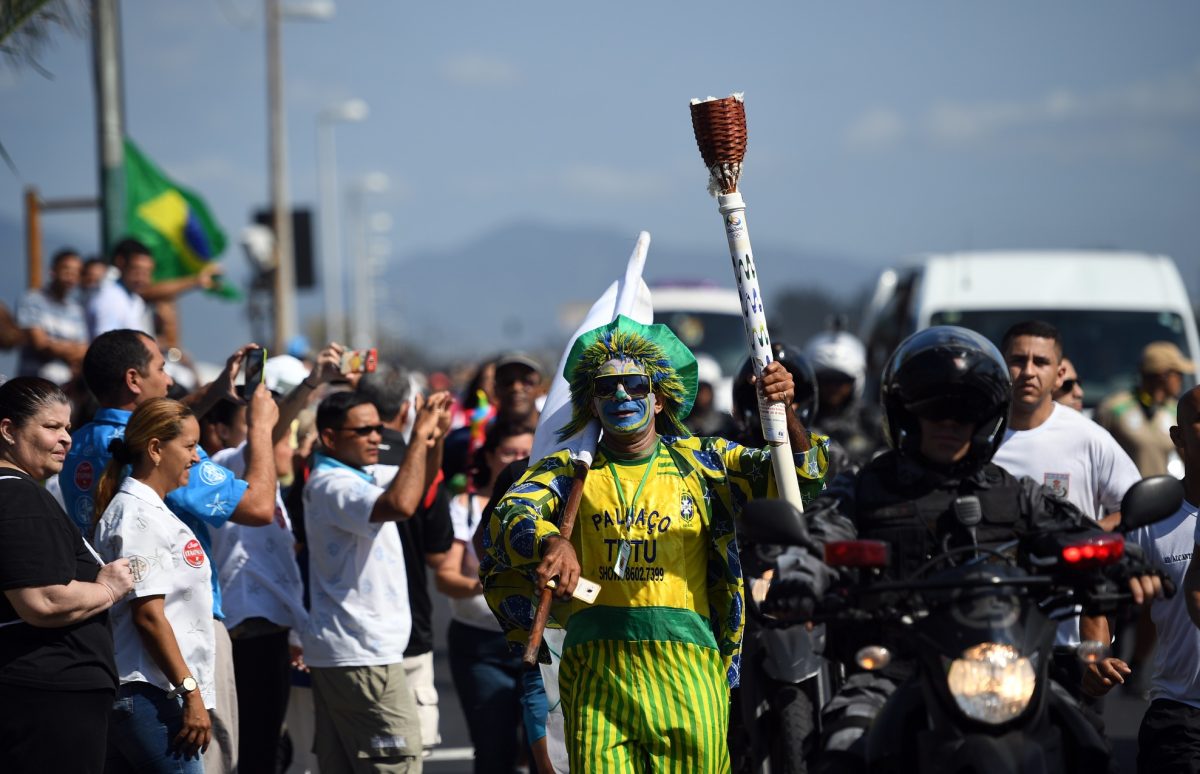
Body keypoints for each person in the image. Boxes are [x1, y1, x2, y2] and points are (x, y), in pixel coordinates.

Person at [779, 326, 1163, 771]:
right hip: (897, 668)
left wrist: (1125, 562)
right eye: (935, 412)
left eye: (964, 413)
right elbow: (819, 539)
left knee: (1087, 743)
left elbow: (1078, 534)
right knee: (844, 749)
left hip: (1005, 667)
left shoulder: (1015, 493)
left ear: (986, 418)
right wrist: (799, 579)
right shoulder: (866, 489)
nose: (949, 424)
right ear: (908, 414)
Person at [482, 315, 829, 772]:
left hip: (687, 666)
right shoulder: (571, 470)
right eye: (607, 388)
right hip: (596, 670)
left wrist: (784, 412)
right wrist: (550, 541)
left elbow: (803, 480)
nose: (622, 396)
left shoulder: (705, 462)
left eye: (634, 384)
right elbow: (510, 516)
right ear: (592, 403)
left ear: (660, 397)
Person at [63, 329, 278, 774]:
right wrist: (262, 428)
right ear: (133, 380)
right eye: (161, 368)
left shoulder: (82, 442)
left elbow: (163, 430)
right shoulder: (138, 503)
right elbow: (259, 506)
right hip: (170, 642)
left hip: (123, 641)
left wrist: (219, 388)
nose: (170, 379)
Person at [990, 321, 1142, 701]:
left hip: (1071, 639)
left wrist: (1085, 534)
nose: (1027, 371)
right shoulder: (977, 437)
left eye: (1040, 361)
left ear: (1059, 373)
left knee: (1080, 749)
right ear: (999, 364)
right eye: (1017, 360)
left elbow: (1135, 506)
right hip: (990, 637)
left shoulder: (1087, 437)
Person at [206, 343, 340, 773]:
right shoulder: (226, 467)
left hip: (270, 633)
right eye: (250, 427)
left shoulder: (265, 481)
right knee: (255, 755)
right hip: (248, 636)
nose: (283, 440)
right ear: (220, 434)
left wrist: (312, 382)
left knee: (266, 750)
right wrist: (305, 387)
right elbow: (271, 433)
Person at [302, 389, 451, 773]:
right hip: (364, 654)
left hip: (353, 653)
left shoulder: (361, 473)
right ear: (331, 438)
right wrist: (418, 438)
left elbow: (419, 484)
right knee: (397, 764)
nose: (376, 438)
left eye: (378, 428)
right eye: (364, 430)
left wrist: (434, 439)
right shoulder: (332, 484)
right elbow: (400, 505)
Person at [0, 377, 134, 774]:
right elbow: (42, 600)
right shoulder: (16, 494)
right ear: (8, 430)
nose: (66, 440)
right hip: (48, 696)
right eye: (51, 427)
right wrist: (108, 589)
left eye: (68, 428)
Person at [93, 398, 214, 773]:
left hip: (154, 690)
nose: (197, 459)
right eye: (190, 446)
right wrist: (190, 693)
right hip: (149, 691)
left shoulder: (150, 510)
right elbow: (148, 615)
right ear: (156, 449)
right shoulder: (137, 515)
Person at [359, 367, 455, 756]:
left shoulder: (327, 465)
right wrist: (434, 443)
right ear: (409, 408)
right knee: (406, 759)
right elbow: (438, 554)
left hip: (350, 640)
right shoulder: (424, 470)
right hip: (408, 635)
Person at [437, 418, 536, 773]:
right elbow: (446, 578)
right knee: (494, 752)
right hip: (481, 646)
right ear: (490, 456)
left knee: (546, 752)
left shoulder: (558, 502)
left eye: (527, 453)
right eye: (510, 453)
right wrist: (498, 581)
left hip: (542, 646)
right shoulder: (464, 507)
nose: (519, 460)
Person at [1122, 384, 1200, 772]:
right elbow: (1104, 600)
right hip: (1181, 712)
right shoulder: (1152, 518)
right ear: (1179, 436)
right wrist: (1096, 653)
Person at [87, 238, 223, 341]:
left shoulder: (133, 299)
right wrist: (196, 281)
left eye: (147, 273)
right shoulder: (110, 298)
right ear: (121, 263)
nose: (142, 279)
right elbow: (105, 346)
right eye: (137, 271)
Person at [443, 352, 542, 492]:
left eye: (527, 382)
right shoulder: (464, 440)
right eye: (508, 382)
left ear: (539, 388)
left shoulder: (558, 435)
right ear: (495, 388)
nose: (516, 388)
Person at [1097, 341, 1196, 477]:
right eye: (1179, 374)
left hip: (1161, 496)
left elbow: (1193, 460)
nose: (1181, 380)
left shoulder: (1176, 412)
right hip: (1121, 497)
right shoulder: (1113, 409)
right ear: (1163, 375)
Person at [804, 329, 883, 468]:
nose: (833, 387)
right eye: (826, 380)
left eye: (841, 380)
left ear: (856, 380)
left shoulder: (872, 421)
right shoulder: (803, 420)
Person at [15, 248, 88, 383]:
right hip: (34, 387)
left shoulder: (76, 310)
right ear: (53, 270)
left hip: (64, 391)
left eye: (76, 272)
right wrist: (72, 348)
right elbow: (40, 344)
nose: (71, 275)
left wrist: (55, 345)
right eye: (66, 269)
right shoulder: (32, 300)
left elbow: (84, 350)